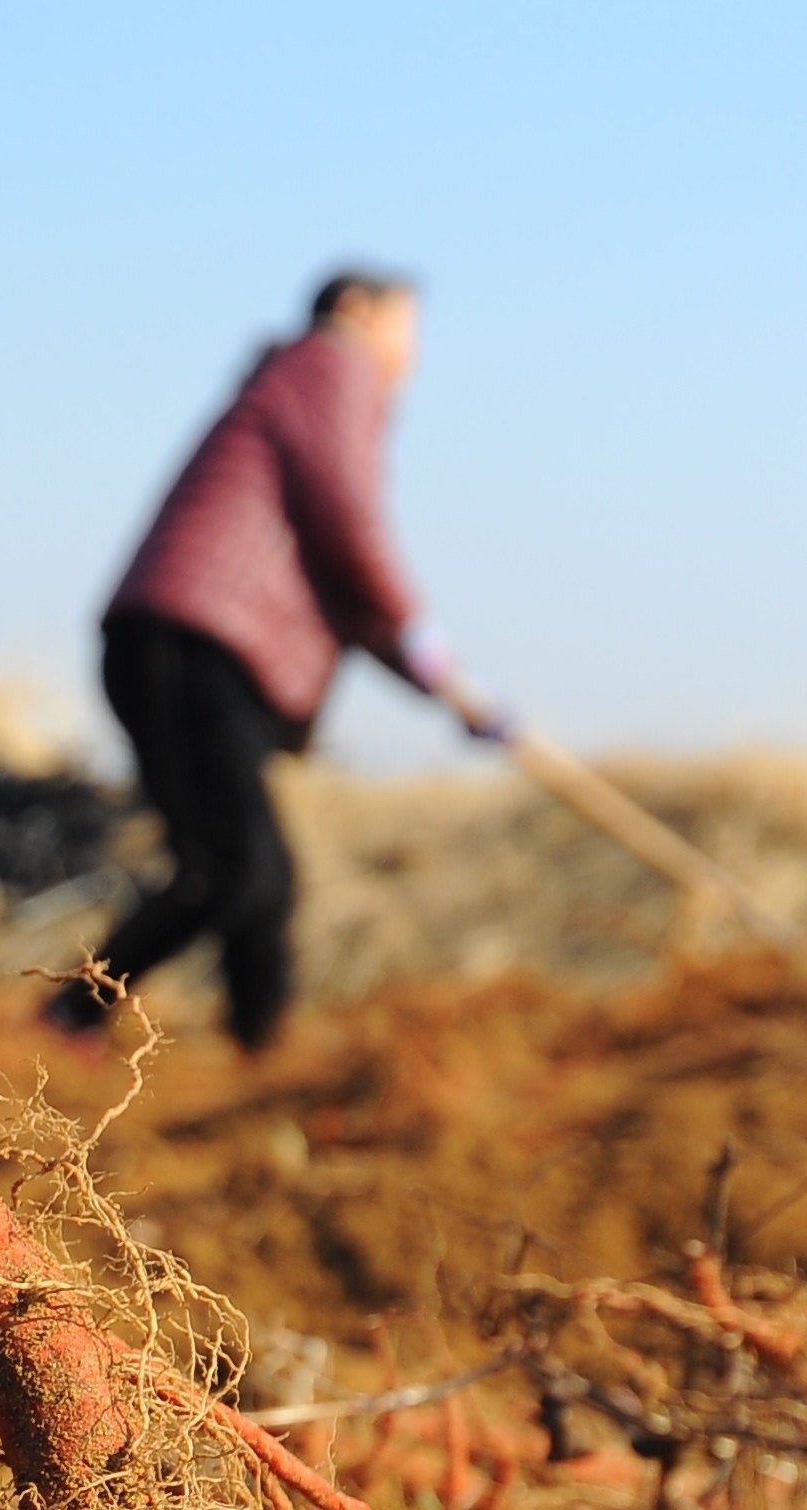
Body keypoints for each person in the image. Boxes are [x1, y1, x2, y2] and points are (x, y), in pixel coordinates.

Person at [50, 269, 504, 1052]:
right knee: (239, 869)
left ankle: (250, 1053)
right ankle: (77, 1023)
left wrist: (444, 688)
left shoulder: (310, 388)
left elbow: (348, 594)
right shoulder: (333, 362)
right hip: (191, 643)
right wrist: (428, 648)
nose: (413, 357)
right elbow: (349, 525)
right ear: (357, 310)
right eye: (409, 329)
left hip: (202, 652)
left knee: (245, 876)